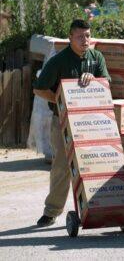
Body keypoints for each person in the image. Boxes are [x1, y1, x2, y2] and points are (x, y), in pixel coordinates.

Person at [33, 19, 110, 227]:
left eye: (88, 35)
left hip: (90, 122)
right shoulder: (59, 61)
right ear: (70, 38)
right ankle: (51, 212)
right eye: (80, 36)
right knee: (61, 167)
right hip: (63, 122)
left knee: (93, 164)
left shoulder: (96, 57)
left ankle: (99, 207)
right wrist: (62, 99)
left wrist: (94, 80)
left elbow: (106, 83)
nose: (85, 40)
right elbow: (39, 88)